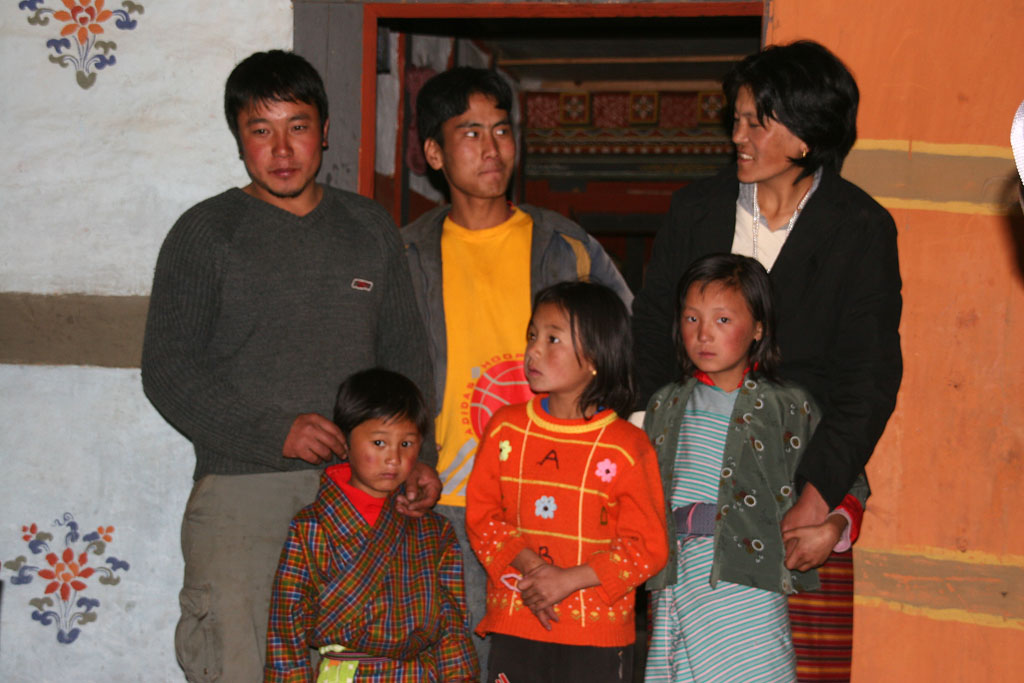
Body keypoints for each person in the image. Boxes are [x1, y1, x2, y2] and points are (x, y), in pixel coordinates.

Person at [141, 50, 440, 682]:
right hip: (244, 492)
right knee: (241, 663)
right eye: (261, 129)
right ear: (239, 139)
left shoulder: (368, 227)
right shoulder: (206, 232)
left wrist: (421, 458)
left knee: (355, 669)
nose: (282, 149)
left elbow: (407, 363)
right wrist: (274, 431)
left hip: (361, 493)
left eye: (298, 126)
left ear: (324, 132)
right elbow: (168, 370)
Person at [631, 40, 902, 679]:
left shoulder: (860, 228)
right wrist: (646, 434)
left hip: (797, 487)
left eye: (758, 121)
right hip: (686, 481)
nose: (739, 135)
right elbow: (649, 328)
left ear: (807, 138)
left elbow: (867, 377)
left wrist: (820, 495)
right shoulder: (695, 208)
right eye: (738, 118)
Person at [402, 66, 632, 673]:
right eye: (470, 132)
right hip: (442, 503)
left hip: (552, 506)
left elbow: (625, 353)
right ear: (433, 151)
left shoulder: (566, 246)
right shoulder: (404, 256)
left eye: (501, 130)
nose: (491, 147)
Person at [642, 254, 867, 682]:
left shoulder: (788, 406)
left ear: (759, 328)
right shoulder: (664, 404)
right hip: (676, 585)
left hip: (749, 592)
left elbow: (848, 477)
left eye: (722, 320)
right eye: (691, 318)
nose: (703, 334)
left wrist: (832, 526)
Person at [465, 281, 668, 683]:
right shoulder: (506, 429)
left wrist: (569, 579)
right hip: (517, 620)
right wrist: (536, 569)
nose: (534, 350)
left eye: (552, 338)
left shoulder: (627, 446)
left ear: (594, 356)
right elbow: (482, 516)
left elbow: (648, 546)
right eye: (532, 336)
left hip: (596, 639)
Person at [264, 368, 478, 682]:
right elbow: (287, 623)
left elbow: (451, 624)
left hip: (416, 673)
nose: (393, 458)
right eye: (379, 442)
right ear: (345, 442)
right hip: (345, 673)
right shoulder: (312, 526)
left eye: (407, 444)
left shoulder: (435, 531)